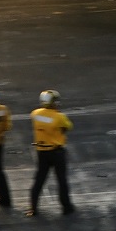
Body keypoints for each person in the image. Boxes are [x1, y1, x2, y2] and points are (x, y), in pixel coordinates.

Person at [26, 89, 75, 217]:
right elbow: (68, 127)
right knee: (61, 180)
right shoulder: (59, 117)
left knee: (39, 180)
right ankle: (66, 207)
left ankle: (33, 207)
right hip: (56, 152)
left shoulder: (35, 113)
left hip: (41, 152)